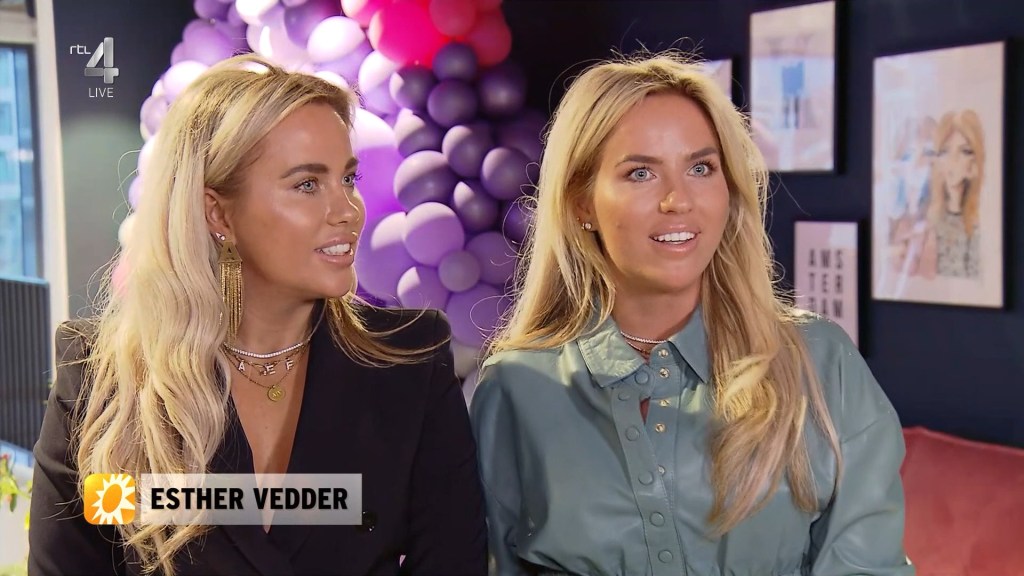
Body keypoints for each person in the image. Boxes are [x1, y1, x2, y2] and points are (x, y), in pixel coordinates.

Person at [29, 54, 487, 576]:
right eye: (308, 184)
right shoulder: (102, 378)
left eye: (348, 179)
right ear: (218, 213)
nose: (348, 210)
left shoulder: (410, 364)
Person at [470, 52, 913, 576]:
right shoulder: (516, 388)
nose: (678, 200)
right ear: (581, 204)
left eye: (701, 168)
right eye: (640, 173)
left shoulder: (821, 363)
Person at [918, 109, 984, 279]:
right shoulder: (927, 211)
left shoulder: (978, 221)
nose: (952, 160)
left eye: (964, 151)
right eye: (945, 151)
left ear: (975, 160)